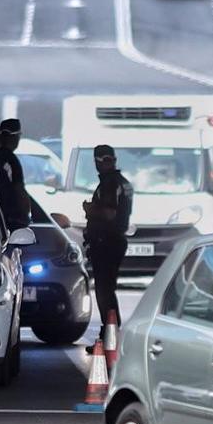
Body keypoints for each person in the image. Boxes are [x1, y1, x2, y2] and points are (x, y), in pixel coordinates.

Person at [82, 145, 133, 341]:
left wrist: (90, 209)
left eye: (106, 160)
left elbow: (109, 213)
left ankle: (110, 335)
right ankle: (110, 334)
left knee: (104, 291)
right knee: (107, 290)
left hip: (106, 242)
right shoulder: (122, 182)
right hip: (113, 240)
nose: (104, 164)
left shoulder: (110, 183)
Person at [0, 119, 28, 232]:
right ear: (14, 137)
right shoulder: (10, 160)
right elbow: (19, 190)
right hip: (8, 222)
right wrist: (25, 216)